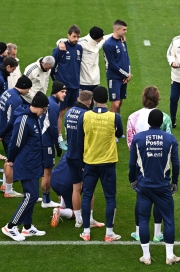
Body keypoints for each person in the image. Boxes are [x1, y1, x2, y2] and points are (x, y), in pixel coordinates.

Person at [129, 109, 180, 265]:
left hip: (144, 186)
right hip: (163, 186)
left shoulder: (138, 138)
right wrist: (175, 181)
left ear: (149, 122)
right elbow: (176, 163)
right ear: (162, 123)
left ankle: (146, 256)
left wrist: (132, 180)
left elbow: (132, 163)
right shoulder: (170, 138)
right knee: (169, 219)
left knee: (143, 219)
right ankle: (169, 255)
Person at [51, 90, 104, 228]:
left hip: (70, 155)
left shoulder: (70, 112)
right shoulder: (86, 115)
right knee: (88, 189)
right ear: (90, 101)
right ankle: (90, 219)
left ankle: (78, 220)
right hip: (83, 157)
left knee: (76, 188)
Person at [126, 86, 173, 242]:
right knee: (160, 197)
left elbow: (130, 143)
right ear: (157, 98)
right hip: (160, 165)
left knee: (142, 198)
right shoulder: (165, 117)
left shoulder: (133, 117)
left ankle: (139, 231)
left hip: (141, 165)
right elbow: (169, 143)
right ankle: (158, 232)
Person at [1, 91, 49, 241]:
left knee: (33, 196)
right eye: (45, 109)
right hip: (26, 163)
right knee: (31, 195)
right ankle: (11, 226)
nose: (45, 112)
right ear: (39, 107)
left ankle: (27, 227)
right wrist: (11, 159)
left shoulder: (33, 118)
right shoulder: (24, 120)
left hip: (33, 163)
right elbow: (15, 142)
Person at [80, 86, 123, 242]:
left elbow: (80, 135)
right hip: (108, 162)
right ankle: (109, 233)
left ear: (94, 100)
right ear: (106, 99)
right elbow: (119, 133)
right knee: (110, 197)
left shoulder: (85, 116)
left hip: (90, 161)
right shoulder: (114, 117)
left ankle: (86, 232)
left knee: (87, 195)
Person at [0, 75, 33, 197]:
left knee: (8, 159)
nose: (28, 91)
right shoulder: (16, 100)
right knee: (11, 161)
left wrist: (0, 132)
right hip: (9, 134)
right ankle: (8, 191)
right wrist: (1, 134)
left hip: (2, 128)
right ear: (24, 87)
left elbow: (0, 113)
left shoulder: (7, 92)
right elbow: (12, 121)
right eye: (28, 89)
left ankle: (5, 184)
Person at [57, 26, 111, 93]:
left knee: (91, 103)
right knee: (81, 102)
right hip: (83, 82)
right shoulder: (82, 43)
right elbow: (67, 41)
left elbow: (106, 38)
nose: (102, 39)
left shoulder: (98, 43)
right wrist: (60, 42)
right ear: (95, 38)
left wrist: (118, 35)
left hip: (95, 82)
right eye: (101, 37)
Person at [51, 25, 83, 137]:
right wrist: (57, 82)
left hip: (75, 86)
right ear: (68, 35)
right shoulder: (60, 49)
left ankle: (69, 136)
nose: (76, 39)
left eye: (78, 37)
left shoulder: (79, 48)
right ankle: (59, 137)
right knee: (61, 112)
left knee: (71, 113)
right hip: (63, 87)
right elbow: (52, 65)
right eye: (74, 36)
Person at [39, 81, 66, 208]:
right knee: (47, 172)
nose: (64, 94)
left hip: (43, 140)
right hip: (46, 142)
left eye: (65, 92)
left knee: (45, 171)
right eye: (62, 91)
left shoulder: (50, 101)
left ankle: (46, 198)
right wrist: (57, 145)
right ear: (55, 91)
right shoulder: (54, 106)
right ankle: (46, 200)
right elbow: (54, 127)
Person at [103, 20, 132, 115]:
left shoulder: (122, 41)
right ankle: (108, 125)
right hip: (114, 77)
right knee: (115, 104)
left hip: (123, 77)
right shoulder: (108, 44)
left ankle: (117, 124)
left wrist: (127, 74)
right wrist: (126, 74)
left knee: (120, 103)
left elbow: (126, 58)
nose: (125, 32)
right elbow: (112, 64)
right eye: (124, 30)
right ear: (117, 29)